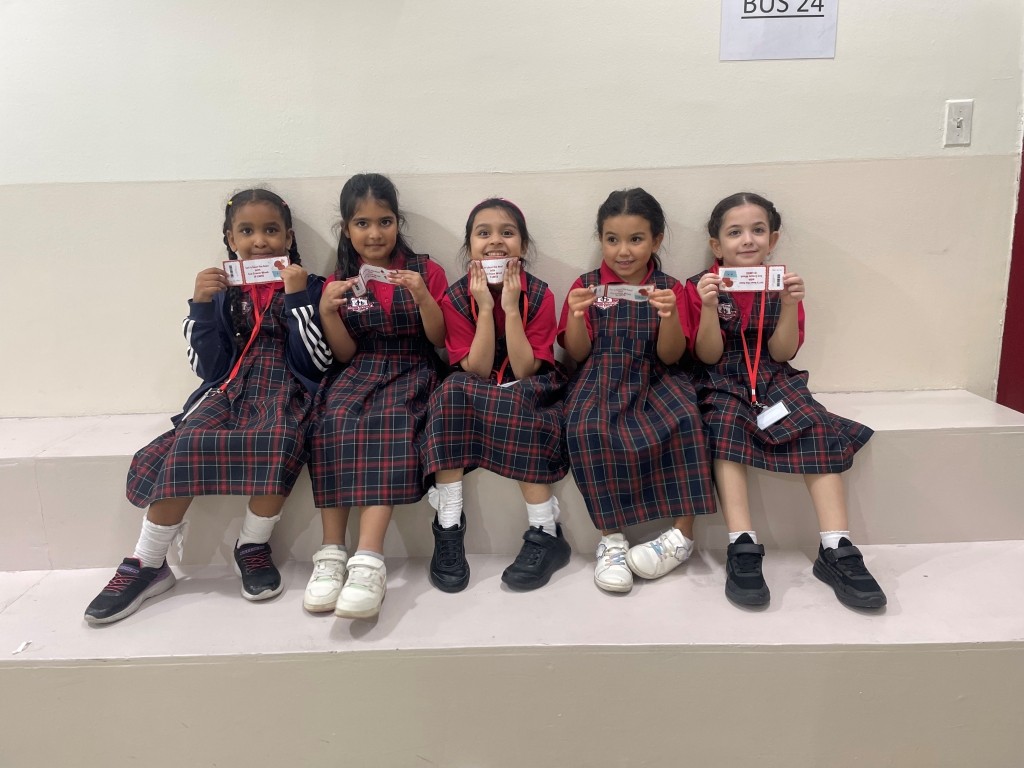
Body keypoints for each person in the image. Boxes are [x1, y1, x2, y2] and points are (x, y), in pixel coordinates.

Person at [84, 189, 330, 624]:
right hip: (228, 388)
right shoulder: (220, 291)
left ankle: (252, 545)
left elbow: (317, 362)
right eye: (247, 231)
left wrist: (297, 300)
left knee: (282, 435)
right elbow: (207, 368)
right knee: (191, 438)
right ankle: (148, 562)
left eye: (271, 230)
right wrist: (199, 306)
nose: (260, 241)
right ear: (230, 239)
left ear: (289, 237)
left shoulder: (312, 287)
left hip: (286, 388)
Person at [686, 192, 885, 609]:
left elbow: (782, 352)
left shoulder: (781, 283)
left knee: (815, 423)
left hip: (772, 373)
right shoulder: (699, 285)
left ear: (772, 239)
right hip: (721, 374)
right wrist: (707, 307)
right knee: (723, 424)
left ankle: (837, 547)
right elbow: (707, 355)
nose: (747, 240)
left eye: (757, 230)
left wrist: (791, 305)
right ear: (716, 245)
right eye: (735, 232)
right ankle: (742, 543)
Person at [304, 173, 447, 619]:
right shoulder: (340, 281)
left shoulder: (425, 270)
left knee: (390, 422)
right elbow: (345, 353)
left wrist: (423, 296)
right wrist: (328, 312)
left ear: (397, 222)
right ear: (346, 229)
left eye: (384, 221)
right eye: (362, 223)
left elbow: (440, 340)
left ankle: (368, 561)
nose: (374, 233)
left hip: (413, 366)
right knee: (331, 418)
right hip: (361, 367)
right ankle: (331, 554)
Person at [559, 188, 715, 594]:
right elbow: (577, 353)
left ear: (656, 241)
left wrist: (669, 315)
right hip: (599, 373)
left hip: (656, 374)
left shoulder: (669, 287)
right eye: (612, 239)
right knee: (585, 426)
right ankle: (611, 540)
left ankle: (682, 535)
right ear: (600, 240)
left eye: (636, 239)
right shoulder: (587, 285)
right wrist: (575, 315)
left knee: (687, 418)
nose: (623, 251)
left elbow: (671, 355)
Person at [421, 199, 570, 592]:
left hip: (530, 385)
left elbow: (524, 370)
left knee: (519, 398)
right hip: (477, 383)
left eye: (507, 232)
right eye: (483, 233)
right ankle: (448, 527)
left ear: (523, 244)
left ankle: (546, 531)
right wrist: (485, 310)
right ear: (469, 245)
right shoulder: (455, 297)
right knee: (449, 391)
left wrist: (511, 308)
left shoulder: (539, 294)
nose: (495, 241)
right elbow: (476, 368)